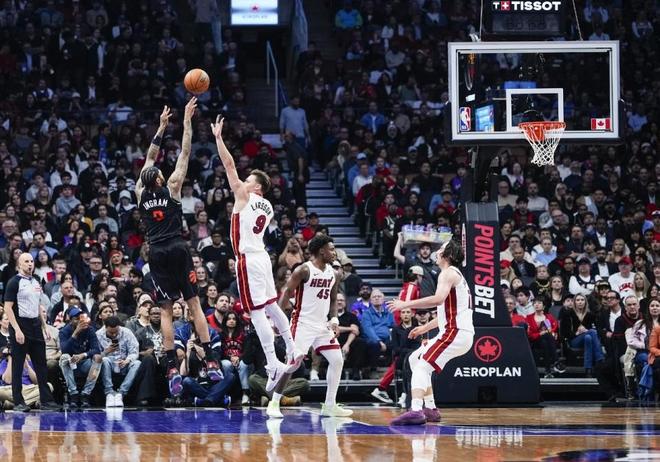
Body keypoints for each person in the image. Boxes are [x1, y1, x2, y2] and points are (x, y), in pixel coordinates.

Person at [136, 99, 221, 397]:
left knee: (166, 310)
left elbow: (150, 156)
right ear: (160, 178)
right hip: (177, 247)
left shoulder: (139, 192)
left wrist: (160, 128)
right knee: (194, 303)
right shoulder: (172, 186)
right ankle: (211, 359)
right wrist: (185, 120)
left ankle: (172, 366)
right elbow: (184, 152)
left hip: (156, 252)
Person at [210, 115, 299, 390]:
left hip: (248, 259)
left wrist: (218, 138)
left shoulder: (244, 196)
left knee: (257, 312)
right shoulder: (268, 206)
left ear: (257, 187)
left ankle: (273, 363)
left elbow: (228, 165)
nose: (243, 181)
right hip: (262, 257)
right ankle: (292, 348)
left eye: (248, 180)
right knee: (272, 305)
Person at [387, 239, 474, 425]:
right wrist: (425, 328)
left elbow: (437, 299)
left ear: (448, 255)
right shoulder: (454, 275)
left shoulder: (448, 273)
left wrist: (405, 304)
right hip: (456, 331)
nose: (437, 251)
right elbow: (445, 313)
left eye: (441, 249)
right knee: (414, 359)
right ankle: (431, 409)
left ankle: (416, 410)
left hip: (455, 332)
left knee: (422, 366)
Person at [272, 235, 352, 419]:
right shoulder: (303, 270)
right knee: (293, 363)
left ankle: (330, 405)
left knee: (337, 360)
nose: (334, 253)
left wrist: (334, 320)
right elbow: (286, 294)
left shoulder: (334, 273)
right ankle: (274, 402)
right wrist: (277, 321)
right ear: (321, 251)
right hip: (302, 323)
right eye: (331, 249)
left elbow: (333, 300)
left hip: (322, 325)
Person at [2, 253, 61, 412]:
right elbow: (7, 307)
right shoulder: (14, 282)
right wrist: (17, 329)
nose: (30, 264)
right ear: (19, 264)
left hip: (35, 326)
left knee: (41, 365)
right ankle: (18, 402)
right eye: (26, 261)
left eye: (31, 261)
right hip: (20, 326)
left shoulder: (35, 281)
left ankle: (46, 400)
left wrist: (44, 326)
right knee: (18, 365)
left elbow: (37, 304)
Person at [58, 308, 102, 408]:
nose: (80, 321)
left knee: (98, 358)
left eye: (81, 318)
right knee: (64, 357)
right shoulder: (64, 331)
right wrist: (75, 333)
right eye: (76, 319)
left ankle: (86, 394)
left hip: (84, 363)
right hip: (70, 365)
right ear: (70, 320)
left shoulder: (89, 329)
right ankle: (73, 394)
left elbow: (96, 350)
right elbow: (64, 350)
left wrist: (83, 355)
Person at [96, 316, 141, 408]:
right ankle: (109, 393)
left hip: (124, 362)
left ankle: (121, 393)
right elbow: (96, 356)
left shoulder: (127, 332)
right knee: (104, 360)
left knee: (137, 363)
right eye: (111, 332)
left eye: (116, 332)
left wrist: (127, 360)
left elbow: (134, 352)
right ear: (105, 327)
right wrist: (106, 351)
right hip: (108, 363)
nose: (114, 335)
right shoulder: (98, 335)